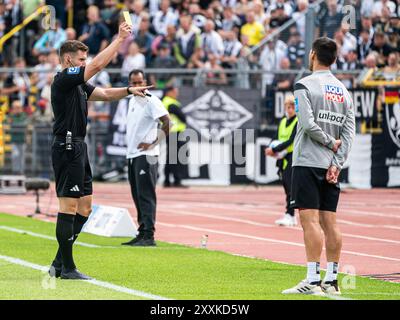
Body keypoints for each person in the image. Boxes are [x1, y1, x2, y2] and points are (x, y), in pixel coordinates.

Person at [48, 22, 152, 280]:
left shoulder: (79, 85)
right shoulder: (63, 79)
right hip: (67, 145)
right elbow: (95, 67)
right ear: (68, 59)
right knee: (69, 207)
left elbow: (104, 94)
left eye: (85, 59)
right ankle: (67, 268)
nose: (85, 63)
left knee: (85, 208)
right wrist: (119, 40)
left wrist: (129, 91)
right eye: (81, 59)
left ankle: (58, 262)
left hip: (79, 147)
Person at [282, 37, 355, 295]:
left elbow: (307, 123)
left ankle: (313, 280)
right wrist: (337, 161)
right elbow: (349, 132)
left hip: (308, 161)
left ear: (313, 54)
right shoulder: (344, 91)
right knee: (330, 222)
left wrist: (329, 143)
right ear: (334, 59)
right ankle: (332, 281)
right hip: (331, 166)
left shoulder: (303, 84)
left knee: (309, 220)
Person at [121, 69, 171, 247]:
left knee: (146, 195)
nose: (137, 86)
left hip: (146, 155)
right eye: (133, 83)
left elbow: (168, 122)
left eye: (140, 82)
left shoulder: (151, 100)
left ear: (145, 82)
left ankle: (149, 235)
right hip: (133, 154)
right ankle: (142, 232)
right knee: (136, 194)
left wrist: (153, 143)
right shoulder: (132, 101)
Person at [265, 95, 298, 227]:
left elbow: (291, 140)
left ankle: (290, 214)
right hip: (282, 158)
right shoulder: (283, 121)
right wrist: (270, 147)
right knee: (285, 185)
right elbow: (275, 137)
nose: (289, 110)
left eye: (292, 107)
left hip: (292, 157)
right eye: (287, 107)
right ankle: (289, 214)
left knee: (290, 187)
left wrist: (275, 149)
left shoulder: (298, 122)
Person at [162, 85, 187, 188]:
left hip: (173, 133)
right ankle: (176, 180)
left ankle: (167, 180)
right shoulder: (170, 102)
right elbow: (183, 117)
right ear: (169, 92)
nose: (177, 93)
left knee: (171, 158)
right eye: (175, 91)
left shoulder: (169, 102)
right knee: (174, 158)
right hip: (174, 133)